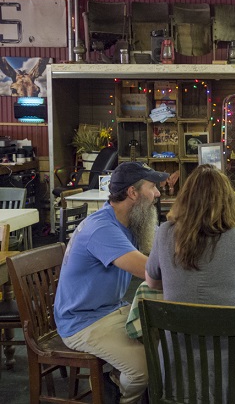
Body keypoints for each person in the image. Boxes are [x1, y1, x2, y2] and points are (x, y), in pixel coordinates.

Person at [145, 164, 235, 400]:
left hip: (177, 370)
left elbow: (152, 282)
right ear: (225, 200)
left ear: (185, 197)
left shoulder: (165, 232)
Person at [54, 162, 169, 404]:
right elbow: (152, 275)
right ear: (132, 193)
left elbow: (167, 246)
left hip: (110, 309)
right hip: (83, 322)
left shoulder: (133, 222)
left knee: (166, 342)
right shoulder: (102, 229)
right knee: (144, 368)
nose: (158, 193)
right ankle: (124, 395)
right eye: (153, 187)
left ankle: (118, 378)